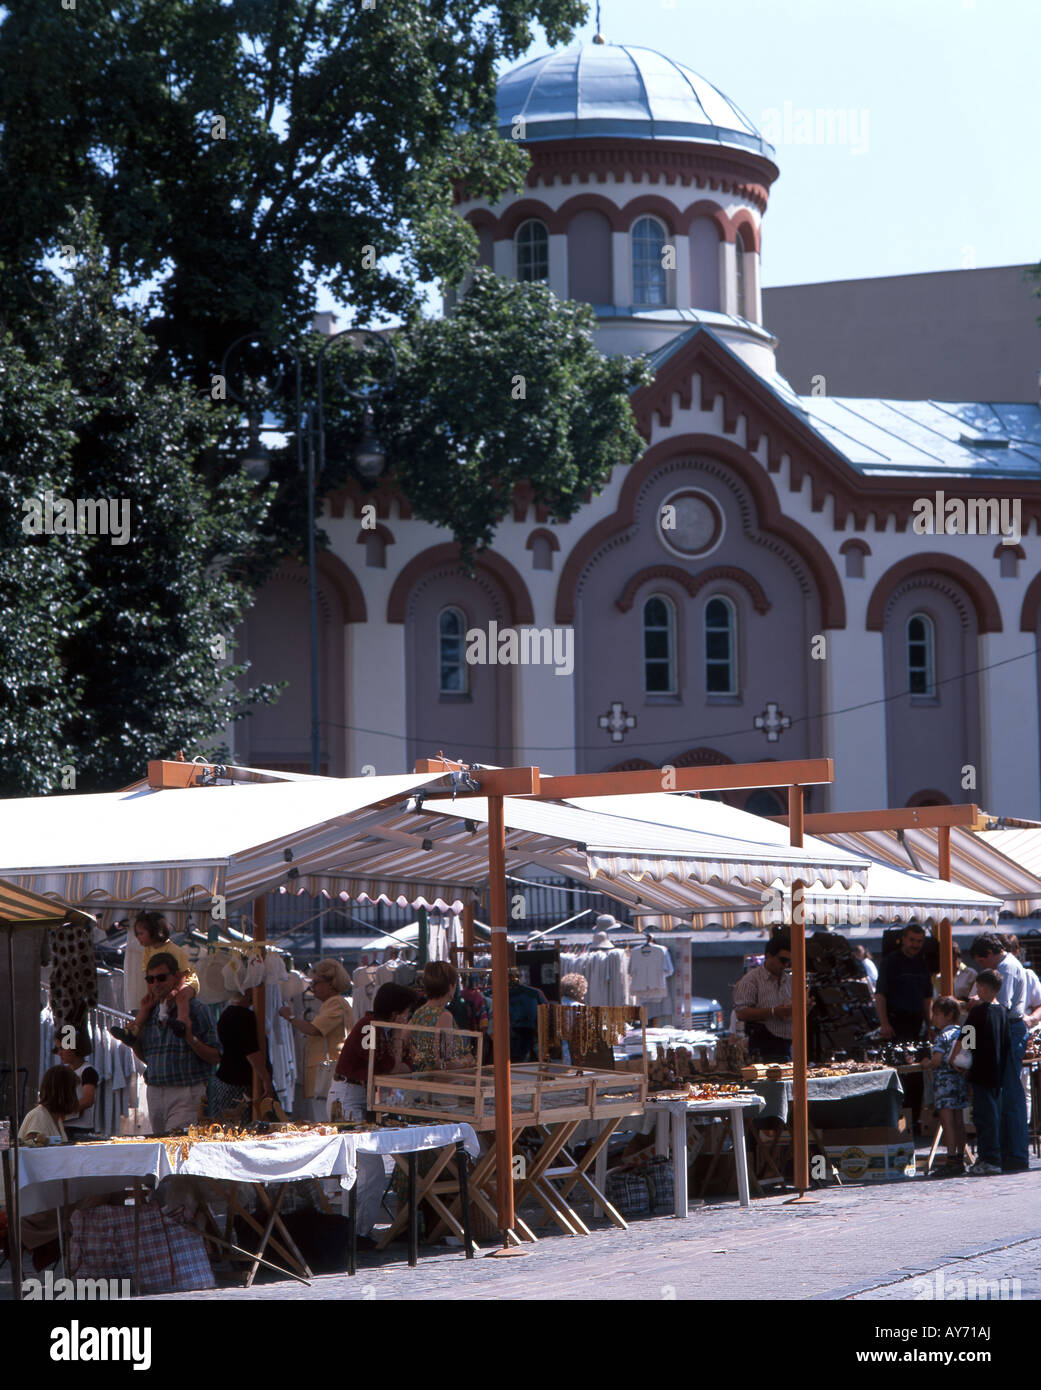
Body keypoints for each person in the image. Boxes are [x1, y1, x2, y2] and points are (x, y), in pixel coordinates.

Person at [116, 951, 220, 1133]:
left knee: (177, 1149)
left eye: (161, 978)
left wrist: (190, 1037)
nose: (156, 983)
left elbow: (215, 1057)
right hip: (155, 1092)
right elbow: (150, 1058)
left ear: (176, 977)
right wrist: (133, 1043)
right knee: (163, 1147)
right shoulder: (150, 1011)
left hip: (186, 1092)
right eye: (151, 979)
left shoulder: (196, 1010)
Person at [970, 932, 1029, 1172]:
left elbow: (999, 1005)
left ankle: (1014, 1154)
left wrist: (975, 1002)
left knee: (1011, 1094)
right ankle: (1009, 1152)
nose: (982, 967)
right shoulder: (1009, 965)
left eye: (982, 961)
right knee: (1008, 1095)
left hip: (1011, 1030)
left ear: (990, 954)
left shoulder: (1005, 968)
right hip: (1011, 1028)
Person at [329, 982, 417, 1121]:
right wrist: (398, 1033)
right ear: (395, 1014)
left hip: (369, 1096)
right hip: (349, 1094)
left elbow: (408, 1065)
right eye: (406, 1014)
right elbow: (392, 1067)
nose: (407, 1019)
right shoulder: (369, 1027)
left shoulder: (386, 1029)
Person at [278, 958, 353, 1120]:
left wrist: (289, 1016)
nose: (313, 988)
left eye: (316, 983)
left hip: (327, 1078)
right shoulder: (331, 1003)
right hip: (322, 1078)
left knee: (325, 1122)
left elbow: (314, 1029)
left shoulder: (336, 1003)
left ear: (331, 983)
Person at [953, 969, 1010, 1176]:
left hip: (980, 1072)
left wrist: (954, 1059)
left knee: (984, 1118)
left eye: (978, 987)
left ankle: (989, 1159)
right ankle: (995, 1156)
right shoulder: (1003, 1011)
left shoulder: (977, 1012)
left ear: (984, 988)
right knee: (995, 1116)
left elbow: (966, 1041)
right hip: (998, 1073)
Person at [111, 911, 200, 1042]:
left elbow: (182, 975)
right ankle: (133, 1031)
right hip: (168, 984)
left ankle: (183, 1022)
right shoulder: (148, 951)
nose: (138, 937)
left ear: (154, 932)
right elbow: (148, 975)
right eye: (137, 934)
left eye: (141, 934)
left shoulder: (173, 950)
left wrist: (176, 990)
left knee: (181, 998)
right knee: (146, 1004)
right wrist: (151, 994)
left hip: (187, 982)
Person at [214, 986, 275, 1121]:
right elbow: (251, 1051)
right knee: (242, 1127)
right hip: (240, 1083)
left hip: (226, 1079)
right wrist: (265, 1078)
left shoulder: (226, 1013)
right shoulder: (243, 1016)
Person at [923, 997, 968, 1175]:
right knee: (959, 1122)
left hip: (944, 1084)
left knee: (947, 1122)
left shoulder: (943, 1036)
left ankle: (950, 1159)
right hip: (960, 1082)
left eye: (937, 1014)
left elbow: (936, 1060)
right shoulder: (963, 1033)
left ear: (948, 1015)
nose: (934, 1018)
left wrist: (925, 1063)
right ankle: (960, 1156)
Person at [733, 932, 794, 1062]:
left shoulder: (789, 980)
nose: (786, 965)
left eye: (789, 961)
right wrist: (773, 1011)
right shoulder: (751, 980)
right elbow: (741, 1013)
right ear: (768, 956)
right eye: (782, 960)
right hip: (763, 1046)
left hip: (789, 1044)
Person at [409, 961, 474, 1069]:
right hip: (441, 1081)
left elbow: (404, 1039)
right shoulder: (444, 1016)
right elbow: (444, 1061)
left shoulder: (419, 1012)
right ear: (450, 986)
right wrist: (466, 1061)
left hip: (422, 1078)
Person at [18, 1065, 79, 1144]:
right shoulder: (38, 1116)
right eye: (73, 1089)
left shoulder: (57, 1118)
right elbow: (33, 1150)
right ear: (64, 1092)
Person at [55, 1030, 99, 1139]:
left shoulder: (87, 1071)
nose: (60, 1053)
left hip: (80, 1129)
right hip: (63, 1126)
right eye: (58, 1049)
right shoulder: (63, 1072)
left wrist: (63, 1110)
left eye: (63, 1049)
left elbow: (88, 1100)